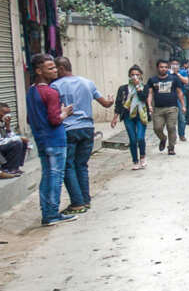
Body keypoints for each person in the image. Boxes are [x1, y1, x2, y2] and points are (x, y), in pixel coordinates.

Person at [50, 56, 114, 215]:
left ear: (62, 69)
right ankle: (85, 200)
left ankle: (77, 203)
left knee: (68, 166)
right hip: (87, 128)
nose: (54, 72)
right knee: (81, 165)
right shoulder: (88, 82)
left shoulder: (56, 86)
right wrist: (111, 101)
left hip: (69, 129)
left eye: (55, 69)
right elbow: (105, 103)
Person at [25, 54, 76, 226]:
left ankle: (46, 212)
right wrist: (65, 113)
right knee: (55, 176)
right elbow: (55, 120)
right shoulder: (51, 92)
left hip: (41, 140)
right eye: (50, 68)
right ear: (39, 71)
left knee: (47, 175)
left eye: (55, 67)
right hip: (55, 139)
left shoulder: (31, 91)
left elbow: (28, 119)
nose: (55, 71)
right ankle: (52, 213)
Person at [113, 64, 150, 170]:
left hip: (141, 115)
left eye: (137, 75)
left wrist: (138, 86)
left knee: (140, 137)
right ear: (129, 75)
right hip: (128, 116)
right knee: (133, 139)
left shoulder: (145, 87)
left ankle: (142, 156)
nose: (135, 77)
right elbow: (119, 103)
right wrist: (115, 117)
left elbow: (143, 98)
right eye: (132, 75)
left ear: (141, 76)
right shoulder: (123, 88)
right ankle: (135, 161)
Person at [147, 58, 185, 154]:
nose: (163, 69)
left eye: (165, 67)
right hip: (158, 108)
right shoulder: (152, 80)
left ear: (168, 68)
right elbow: (150, 93)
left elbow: (180, 92)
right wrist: (149, 105)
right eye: (161, 67)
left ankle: (171, 147)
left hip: (172, 107)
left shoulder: (174, 79)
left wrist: (183, 105)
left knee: (171, 127)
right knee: (157, 128)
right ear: (157, 68)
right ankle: (163, 138)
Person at [0, 103, 26, 177]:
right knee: (17, 142)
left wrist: (8, 127)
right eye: (5, 113)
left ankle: (15, 167)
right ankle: (8, 168)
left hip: (3, 145)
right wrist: (15, 139)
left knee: (23, 141)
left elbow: (9, 136)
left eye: (8, 113)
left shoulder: (3, 122)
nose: (8, 115)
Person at [171, 56, 189, 142]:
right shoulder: (167, 73)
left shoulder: (183, 72)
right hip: (170, 97)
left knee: (182, 117)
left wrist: (177, 74)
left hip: (181, 97)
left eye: (177, 64)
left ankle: (182, 134)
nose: (175, 66)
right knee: (171, 119)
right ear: (170, 65)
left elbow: (186, 81)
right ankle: (172, 136)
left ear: (179, 65)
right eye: (173, 64)